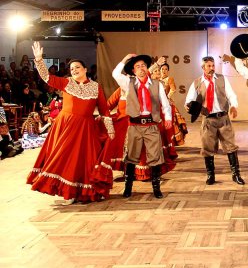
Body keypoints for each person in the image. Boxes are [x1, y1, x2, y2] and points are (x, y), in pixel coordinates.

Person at [27, 42, 115, 202]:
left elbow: (104, 109)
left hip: (85, 129)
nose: (74, 70)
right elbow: (47, 78)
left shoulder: (96, 87)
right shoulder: (67, 82)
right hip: (65, 126)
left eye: (77, 67)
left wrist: (110, 128)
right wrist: (39, 60)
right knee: (63, 158)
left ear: (85, 69)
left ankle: (82, 191)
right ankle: (67, 190)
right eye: (72, 68)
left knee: (83, 160)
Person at [112, 54, 172, 199]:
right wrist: (124, 59)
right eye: (137, 67)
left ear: (147, 68)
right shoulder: (128, 83)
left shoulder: (157, 84)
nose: (141, 69)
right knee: (131, 156)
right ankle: (128, 187)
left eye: (143, 66)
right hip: (135, 125)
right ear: (133, 71)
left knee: (155, 156)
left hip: (151, 125)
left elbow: (165, 103)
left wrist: (168, 118)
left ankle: (156, 188)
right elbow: (115, 74)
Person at [185, 56, 244, 186]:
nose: (212, 68)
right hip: (208, 120)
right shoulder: (197, 83)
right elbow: (189, 100)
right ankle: (210, 175)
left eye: (213, 65)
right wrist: (188, 106)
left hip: (223, 118)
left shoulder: (222, 79)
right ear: (203, 67)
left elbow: (231, 94)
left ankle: (236, 174)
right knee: (207, 148)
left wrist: (234, 106)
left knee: (231, 147)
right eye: (209, 66)